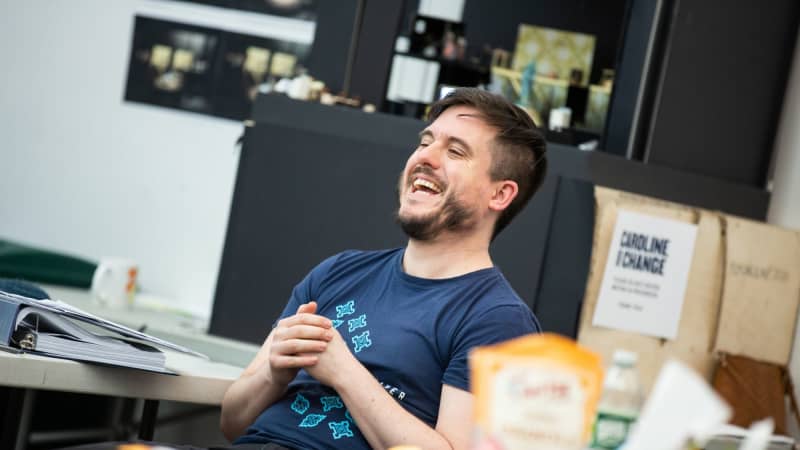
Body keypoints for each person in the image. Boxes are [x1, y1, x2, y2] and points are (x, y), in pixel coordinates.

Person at [219, 88, 548, 450]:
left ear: (499, 195)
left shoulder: (499, 320)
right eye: (425, 142)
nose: (426, 157)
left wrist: (344, 372)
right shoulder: (337, 273)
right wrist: (273, 374)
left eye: (455, 151)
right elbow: (232, 423)